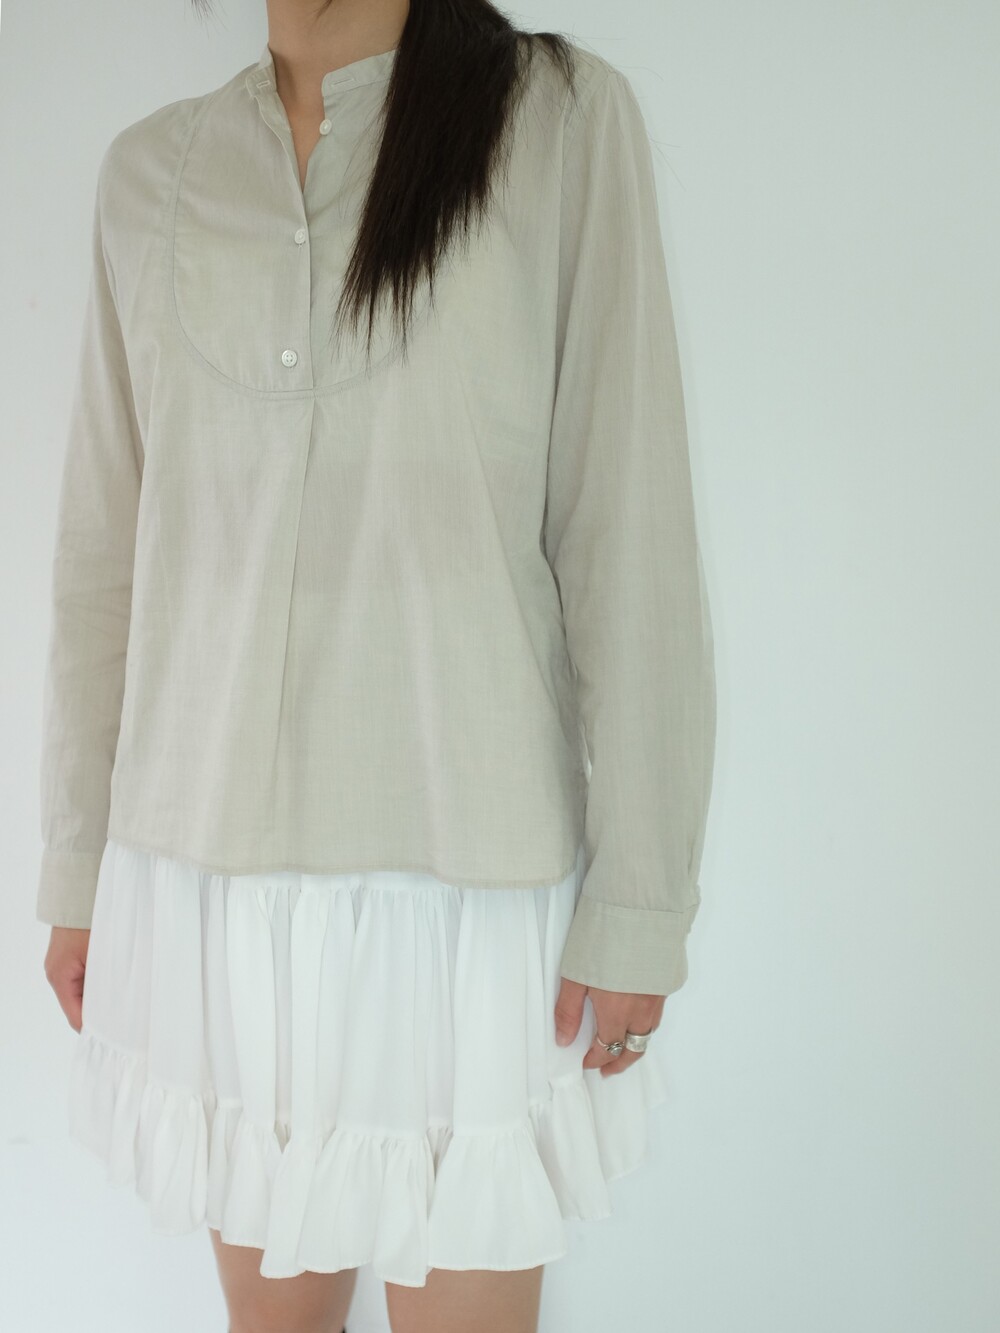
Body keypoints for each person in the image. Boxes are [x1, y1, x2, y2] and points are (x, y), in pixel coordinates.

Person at [37, 0, 717, 1329]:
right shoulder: (152, 173)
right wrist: (77, 867)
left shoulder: (558, 123)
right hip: (210, 889)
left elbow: (626, 518)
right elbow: (103, 554)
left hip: (465, 892)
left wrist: (642, 894)